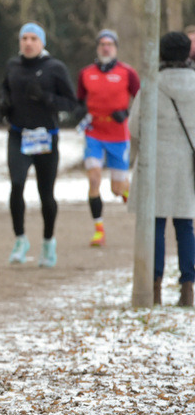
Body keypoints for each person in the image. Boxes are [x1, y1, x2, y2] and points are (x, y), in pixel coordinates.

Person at [0, 22, 80, 267]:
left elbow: (71, 103)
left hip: (46, 137)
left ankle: (48, 242)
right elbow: (4, 89)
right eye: (24, 38)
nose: (28, 42)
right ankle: (20, 239)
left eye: (33, 38)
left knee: (46, 194)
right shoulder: (13, 65)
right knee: (16, 185)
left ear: (42, 42)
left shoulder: (54, 68)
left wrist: (46, 98)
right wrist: (4, 103)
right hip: (18, 135)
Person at [130, 32, 195, 306]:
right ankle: (187, 288)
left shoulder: (151, 85)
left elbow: (134, 126)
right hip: (188, 165)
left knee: (153, 226)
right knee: (185, 228)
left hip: (155, 162)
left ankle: (153, 288)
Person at [76, 29, 140, 247]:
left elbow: (141, 98)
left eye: (110, 44)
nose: (106, 47)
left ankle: (126, 189)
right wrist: (80, 112)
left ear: (116, 48)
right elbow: (79, 100)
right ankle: (98, 230)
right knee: (93, 178)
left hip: (118, 135)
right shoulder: (86, 73)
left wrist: (128, 112)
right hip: (94, 133)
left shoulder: (127, 73)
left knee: (117, 188)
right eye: (102, 44)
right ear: (97, 47)